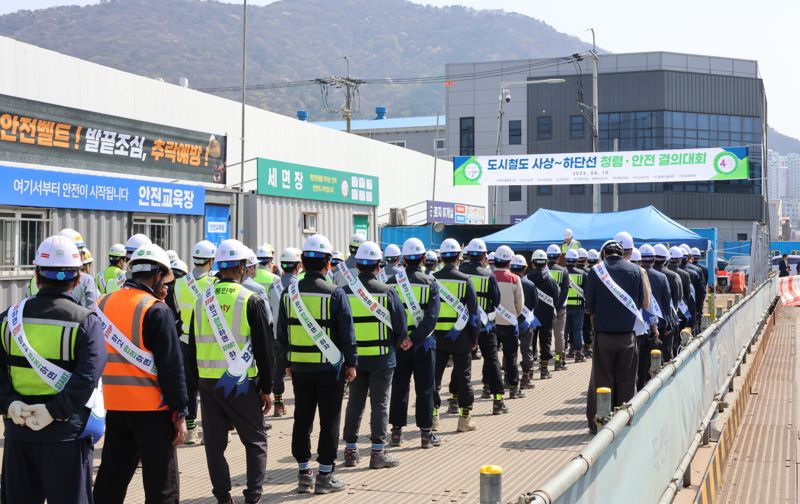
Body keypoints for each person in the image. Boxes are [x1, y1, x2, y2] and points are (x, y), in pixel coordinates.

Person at [0, 235, 106, 504]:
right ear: (78, 278)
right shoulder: (87, 323)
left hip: (18, 432)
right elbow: (87, 378)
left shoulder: (8, 318)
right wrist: (53, 411)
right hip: (64, 437)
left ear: (36, 275)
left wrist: (9, 403)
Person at [93, 243, 188, 504]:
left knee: (111, 479)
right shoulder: (155, 310)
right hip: (153, 412)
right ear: (158, 275)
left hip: (115, 407)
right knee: (161, 486)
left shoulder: (101, 303)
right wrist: (180, 413)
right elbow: (171, 367)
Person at [188, 239, 274, 504]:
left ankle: (223, 497)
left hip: (208, 385)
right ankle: (253, 496)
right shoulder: (251, 299)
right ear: (240, 267)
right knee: (255, 441)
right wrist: (268, 388)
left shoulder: (202, 300)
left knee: (214, 446)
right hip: (240, 383)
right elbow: (264, 350)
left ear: (219, 266)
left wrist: (192, 388)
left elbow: (192, 349)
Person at [277, 234, 357, 494]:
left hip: (299, 367)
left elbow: (282, 334)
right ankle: (325, 477)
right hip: (328, 368)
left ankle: (303, 475)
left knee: (302, 418)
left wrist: (287, 362)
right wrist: (351, 363)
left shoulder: (289, 293)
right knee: (329, 421)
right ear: (328, 263)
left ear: (303, 261)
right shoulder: (335, 293)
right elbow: (347, 334)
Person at [341, 241, 407, 469]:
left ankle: (350, 451)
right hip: (382, 358)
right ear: (379, 265)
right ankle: (377, 453)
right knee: (380, 404)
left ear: (357, 265)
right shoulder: (388, 292)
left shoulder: (344, 292)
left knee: (355, 404)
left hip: (355, 361)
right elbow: (401, 328)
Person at [584, 239, 644, 434]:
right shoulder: (635, 271)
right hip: (627, 335)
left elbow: (589, 305)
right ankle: (626, 423)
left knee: (603, 380)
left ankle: (600, 424)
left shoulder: (595, 271)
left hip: (603, 335)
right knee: (627, 380)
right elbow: (639, 301)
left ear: (604, 253)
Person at [386, 238, 441, 446]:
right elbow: (431, 318)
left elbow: (388, 315)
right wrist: (415, 338)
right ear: (424, 259)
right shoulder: (431, 283)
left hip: (399, 345)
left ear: (403, 259)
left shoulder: (391, 282)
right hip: (424, 344)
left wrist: (402, 339)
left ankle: (396, 433)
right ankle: (426, 435)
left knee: (399, 386)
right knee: (425, 388)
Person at [431, 239, 479, 432]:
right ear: (459, 256)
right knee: (464, 377)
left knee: (434, 379)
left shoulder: (432, 279)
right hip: (461, 338)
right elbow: (473, 315)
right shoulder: (466, 280)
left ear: (441, 257)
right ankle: (464, 420)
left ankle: (433, 419)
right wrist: (474, 340)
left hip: (436, 338)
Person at [171, 239, 216, 445]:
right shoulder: (214, 283)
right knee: (209, 387)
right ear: (211, 261)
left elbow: (178, 311)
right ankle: (210, 432)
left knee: (188, 386)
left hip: (185, 341)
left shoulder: (179, 283)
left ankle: (190, 431)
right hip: (208, 343)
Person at [459, 238, 506, 414]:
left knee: (461, 363)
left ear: (468, 254)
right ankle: (498, 401)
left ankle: (455, 400)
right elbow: (496, 300)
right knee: (492, 359)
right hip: (485, 325)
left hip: (462, 325)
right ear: (485, 256)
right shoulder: (489, 275)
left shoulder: (460, 272)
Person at [267, 247, 303, 418]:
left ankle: (279, 403)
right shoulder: (299, 286)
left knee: (278, 371)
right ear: (298, 266)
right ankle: (301, 403)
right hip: (297, 335)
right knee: (297, 371)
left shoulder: (273, 286)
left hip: (276, 334)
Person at [492, 245, 526, 398]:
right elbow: (520, 303)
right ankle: (513, 388)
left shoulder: (489, 276)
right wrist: (514, 314)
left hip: (491, 323)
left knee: (491, 357)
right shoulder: (514, 278)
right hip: (509, 323)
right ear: (509, 262)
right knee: (511, 356)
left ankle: (488, 387)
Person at [638, 244, 673, 389]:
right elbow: (667, 302)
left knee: (641, 362)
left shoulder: (636, 274)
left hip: (639, 325)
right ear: (653, 259)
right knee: (658, 359)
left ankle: (640, 387)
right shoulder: (662, 277)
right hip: (659, 325)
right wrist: (669, 323)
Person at [527, 250, 559, 379]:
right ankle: (544, 370)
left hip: (530, 316)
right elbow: (556, 299)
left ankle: (529, 371)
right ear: (545, 262)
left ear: (532, 263)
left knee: (530, 342)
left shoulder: (527, 278)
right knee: (546, 342)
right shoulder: (551, 280)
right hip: (547, 315)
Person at [510, 254, 538, 389]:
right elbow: (535, 303)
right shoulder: (530, 284)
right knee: (527, 349)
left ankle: (507, 378)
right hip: (525, 322)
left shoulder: (508, 281)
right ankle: (526, 378)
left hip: (509, 321)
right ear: (525, 268)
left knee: (510, 350)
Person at [653, 244, 682, 361]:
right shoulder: (673, 276)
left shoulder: (642, 272)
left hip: (646, 323)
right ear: (666, 259)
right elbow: (678, 298)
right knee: (666, 354)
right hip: (666, 322)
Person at [547, 244, 570, 370]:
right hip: (560, 308)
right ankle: (558, 360)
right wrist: (558, 306)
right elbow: (565, 291)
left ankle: (542, 362)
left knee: (544, 335)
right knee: (559, 334)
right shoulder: (563, 271)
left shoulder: (543, 270)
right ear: (559, 256)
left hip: (544, 308)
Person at [564, 249, 587, 363]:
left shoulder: (562, 272)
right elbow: (586, 292)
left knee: (565, 331)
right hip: (578, 307)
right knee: (578, 331)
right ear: (577, 260)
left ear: (566, 259)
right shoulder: (582, 274)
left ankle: (562, 356)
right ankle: (578, 354)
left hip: (565, 307)